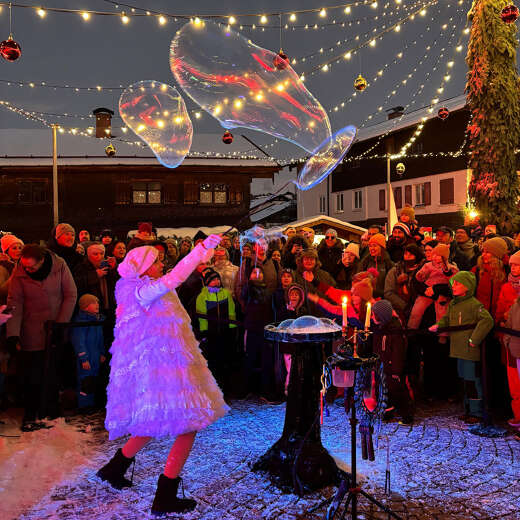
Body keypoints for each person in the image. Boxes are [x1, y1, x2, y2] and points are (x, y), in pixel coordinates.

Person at [97, 235, 228, 515]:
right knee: (188, 424)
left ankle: (115, 467)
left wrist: (202, 254)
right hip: (165, 370)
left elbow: (174, 277)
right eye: (156, 261)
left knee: (153, 421)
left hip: (166, 365)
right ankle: (166, 494)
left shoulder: (146, 288)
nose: (161, 264)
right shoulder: (142, 291)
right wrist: (200, 249)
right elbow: (178, 275)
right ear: (143, 268)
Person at [6, 244, 77, 430]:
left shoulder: (59, 265)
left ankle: (51, 411)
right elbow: (15, 302)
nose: (27, 270)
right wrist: (13, 334)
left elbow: (70, 294)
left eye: (32, 267)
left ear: (42, 261)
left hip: (55, 327)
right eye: (25, 266)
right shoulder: (19, 272)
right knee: (32, 373)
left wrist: (61, 323)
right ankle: (31, 413)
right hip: (31, 328)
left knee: (52, 371)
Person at [431, 272, 494, 423]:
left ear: (467, 286)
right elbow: (447, 319)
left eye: (457, 284)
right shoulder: (454, 303)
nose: (454, 286)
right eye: (453, 284)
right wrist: (438, 326)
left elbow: (487, 320)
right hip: (458, 349)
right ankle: (468, 409)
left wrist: (474, 339)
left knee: (472, 381)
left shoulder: (474, 304)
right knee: (464, 381)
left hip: (469, 350)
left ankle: (477, 412)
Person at [371, 300, 413, 424]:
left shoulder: (394, 331)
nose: (372, 317)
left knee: (398, 391)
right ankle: (387, 412)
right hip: (383, 366)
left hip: (392, 368)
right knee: (384, 390)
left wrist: (396, 370)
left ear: (381, 316)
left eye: (374, 315)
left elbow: (398, 353)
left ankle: (406, 415)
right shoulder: (380, 329)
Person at [195, 268, 237, 396]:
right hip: (211, 334)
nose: (217, 281)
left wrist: (232, 328)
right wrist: (204, 332)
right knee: (213, 361)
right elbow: (201, 317)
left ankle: (226, 388)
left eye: (218, 279)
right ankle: (213, 389)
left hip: (224, 333)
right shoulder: (202, 296)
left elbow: (231, 312)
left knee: (225, 360)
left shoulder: (226, 294)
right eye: (213, 279)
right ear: (207, 281)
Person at [408, 244, 458, 330]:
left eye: (438, 255)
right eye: (434, 254)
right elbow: (420, 277)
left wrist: (446, 270)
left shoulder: (450, 267)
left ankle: (443, 334)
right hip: (427, 289)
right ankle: (411, 328)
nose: (435, 257)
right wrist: (420, 276)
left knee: (442, 313)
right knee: (417, 309)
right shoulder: (428, 265)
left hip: (442, 294)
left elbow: (454, 280)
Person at [70, 294, 106, 413]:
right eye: (93, 303)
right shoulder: (80, 322)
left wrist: (102, 353)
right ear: (85, 306)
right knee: (85, 380)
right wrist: (83, 358)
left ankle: (91, 403)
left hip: (95, 355)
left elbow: (100, 339)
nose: (97, 305)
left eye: (97, 303)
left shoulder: (97, 321)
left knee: (93, 379)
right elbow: (78, 341)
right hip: (87, 357)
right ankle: (84, 405)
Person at [496, 250, 520, 428]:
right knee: (513, 381)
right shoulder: (506, 287)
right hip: (510, 339)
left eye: (517, 264)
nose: (513, 267)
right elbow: (499, 312)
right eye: (511, 264)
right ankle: (517, 415)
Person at [360, 233, 394, 298]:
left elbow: (391, 285)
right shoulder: (365, 261)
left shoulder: (388, 263)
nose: (372, 248)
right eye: (370, 246)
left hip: (383, 298)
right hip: (367, 296)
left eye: (374, 246)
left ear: (381, 247)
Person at [0, 234, 24, 303]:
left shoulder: (23, 265)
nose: (18, 251)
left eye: (20, 248)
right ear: (7, 251)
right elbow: (1, 292)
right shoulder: (3, 267)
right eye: (14, 248)